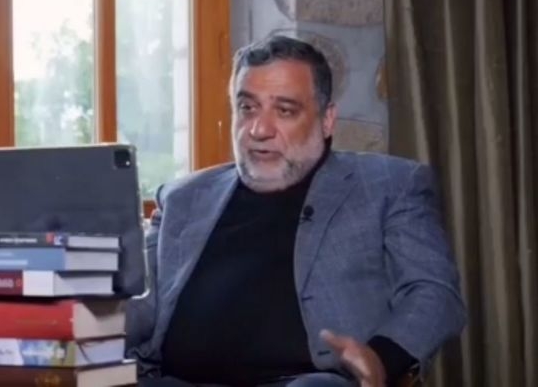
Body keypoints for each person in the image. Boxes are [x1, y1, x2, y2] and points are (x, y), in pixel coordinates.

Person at [125, 35, 466, 387]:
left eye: (284, 110)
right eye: (247, 108)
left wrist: (381, 358)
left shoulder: (388, 186)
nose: (259, 129)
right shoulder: (184, 197)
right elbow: (135, 304)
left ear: (327, 120)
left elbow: (435, 294)